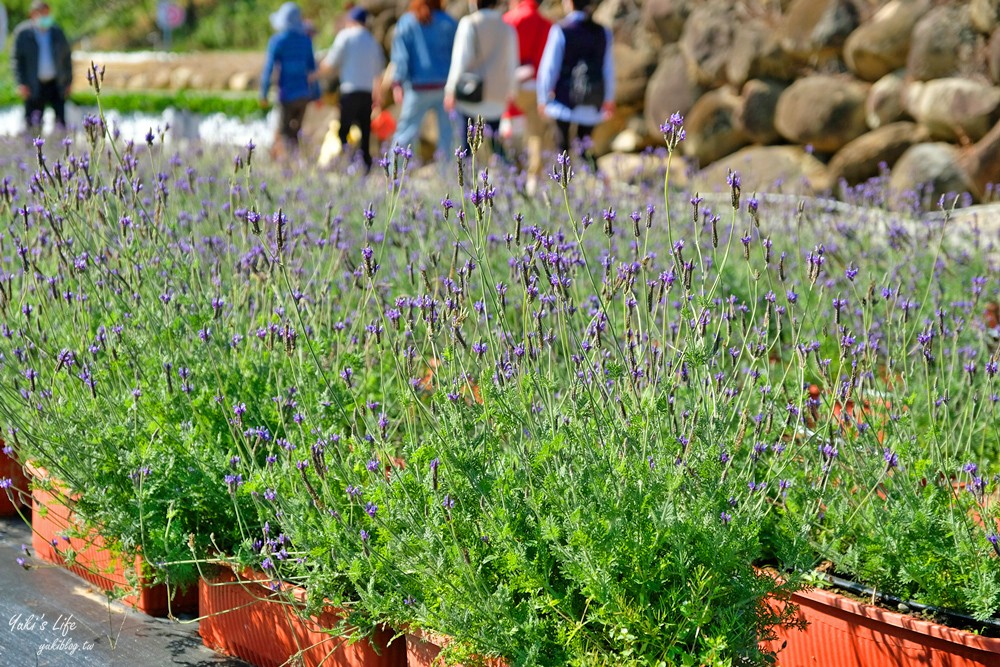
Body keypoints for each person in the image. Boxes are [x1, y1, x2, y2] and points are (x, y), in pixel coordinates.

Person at [536, 0, 614, 170]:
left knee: (562, 148)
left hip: (564, 101)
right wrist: (608, 99)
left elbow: (549, 68)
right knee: (585, 149)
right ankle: (598, 184)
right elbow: (607, 68)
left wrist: (543, 97)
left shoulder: (561, 30)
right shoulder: (603, 32)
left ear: (569, 3)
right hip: (592, 99)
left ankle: (563, 186)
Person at [444, 0, 517, 164]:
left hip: (471, 95)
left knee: (466, 146)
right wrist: (511, 92)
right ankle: (507, 181)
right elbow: (512, 63)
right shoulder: (507, 27)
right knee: (496, 146)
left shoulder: (469, 23)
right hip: (496, 96)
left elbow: (460, 61)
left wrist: (450, 90)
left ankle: (467, 183)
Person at [316, 6, 385, 173]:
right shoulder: (372, 41)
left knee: (344, 130)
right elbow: (379, 72)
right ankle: (365, 166)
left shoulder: (345, 36)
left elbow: (331, 62)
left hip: (349, 92)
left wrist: (315, 74)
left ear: (351, 20)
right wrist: (378, 96)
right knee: (365, 132)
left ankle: (345, 164)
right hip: (367, 93)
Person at [389, 0, 458, 163]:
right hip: (445, 88)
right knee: (448, 136)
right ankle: (447, 178)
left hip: (417, 87)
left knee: (405, 133)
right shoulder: (449, 22)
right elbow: (458, 55)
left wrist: (397, 82)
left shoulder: (407, 21)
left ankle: (394, 175)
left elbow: (401, 56)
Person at [260, 2, 320, 160]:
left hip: (286, 94)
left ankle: (286, 168)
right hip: (304, 95)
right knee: (296, 132)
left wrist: (263, 93)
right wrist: (317, 93)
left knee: (283, 131)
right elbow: (312, 70)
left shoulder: (278, 41)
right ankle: (294, 164)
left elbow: (269, 69)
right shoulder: (306, 41)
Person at [503, 0, 551, 186]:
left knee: (510, 132)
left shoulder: (509, 19)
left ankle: (510, 177)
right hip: (535, 87)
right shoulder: (547, 24)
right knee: (535, 135)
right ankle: (533, 180)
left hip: (511, 86)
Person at [10, 1, 73, 132]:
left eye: (47, 13)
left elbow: (66, 57)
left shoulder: (57, 31)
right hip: (33, 85)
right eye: (42, 13)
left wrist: (69, 81)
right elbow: (16, 61)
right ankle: (31, 151)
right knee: (33, 124)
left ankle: (62, 150)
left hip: (56, 83)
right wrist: (21, 83)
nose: (45, 17)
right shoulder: (23, 33)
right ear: (33, 14)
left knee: (60, 122)